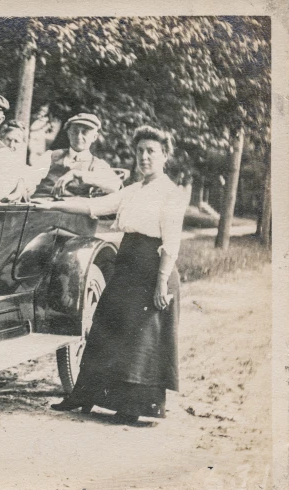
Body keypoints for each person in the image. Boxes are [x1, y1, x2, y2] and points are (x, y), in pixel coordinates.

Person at [43, 125, 191, 424]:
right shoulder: (134, 190)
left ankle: (133, 407)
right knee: (107, 328)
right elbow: (93, 206)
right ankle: (83, 395)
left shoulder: (170, 193)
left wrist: (161, 282)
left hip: (153, 269)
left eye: (151, 151)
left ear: (164, 156)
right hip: (127, 266)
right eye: (140, 151)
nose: (144, 157)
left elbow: (171, 242)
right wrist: (52, 204)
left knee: (141, 340)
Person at [32, 113, 122, 198]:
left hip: (68, 211)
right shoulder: (51, 156)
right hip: (35, 208)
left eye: (85, 132)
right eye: (75, 131)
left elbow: (115, 186)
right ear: (68, 134)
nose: (79, 137)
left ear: (94, 137)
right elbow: (29, 178)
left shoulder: (98, 165)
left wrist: (78, 174)